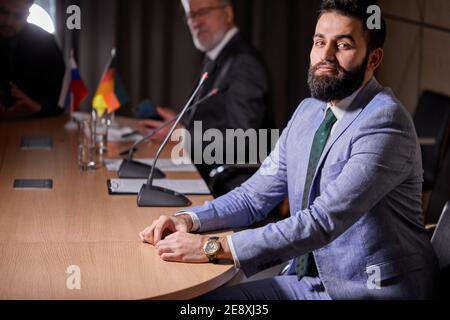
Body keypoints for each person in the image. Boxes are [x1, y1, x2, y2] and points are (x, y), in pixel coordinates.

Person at [139, 0, 439, 300]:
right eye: (319, 42)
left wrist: (214, 246)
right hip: (303, 278)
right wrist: (189, 220)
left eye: (343, 45)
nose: (326, 55)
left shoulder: (385, 122)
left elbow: (322, 221)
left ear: (373, 59)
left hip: (365, 290)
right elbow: (253, 195)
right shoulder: (308, 112)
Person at [140, 0, 273, 185]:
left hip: (229, 187)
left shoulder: (243, 62)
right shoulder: (219, 55)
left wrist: (184, 137)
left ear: (227, 13)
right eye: (190, 15)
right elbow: (217, 118)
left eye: (202, 12)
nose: (196, 22)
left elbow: (246, 142)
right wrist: (182, 122)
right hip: (202, 173)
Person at [0, 0, 65, 119]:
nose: (9, 22)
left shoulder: (46, 43)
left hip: (34, 123)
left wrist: (37, 107)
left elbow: (60, 101)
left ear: (27, 16)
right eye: (3, 12)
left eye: (18, 16)